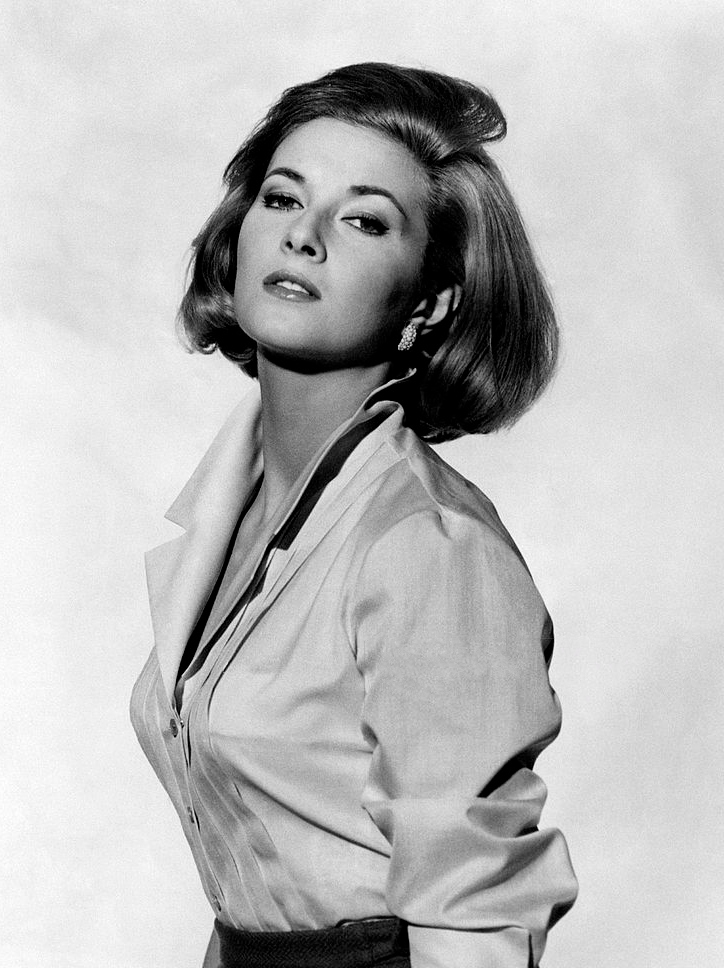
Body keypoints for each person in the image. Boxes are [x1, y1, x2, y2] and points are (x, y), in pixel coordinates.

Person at [130, 62, 578, 968]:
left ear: (430, 301)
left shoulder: (430, 545)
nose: (303, 236)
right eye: (282, 198)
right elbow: (257, 872)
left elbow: (475, 910)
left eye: (364, 220)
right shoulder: (234, 508)